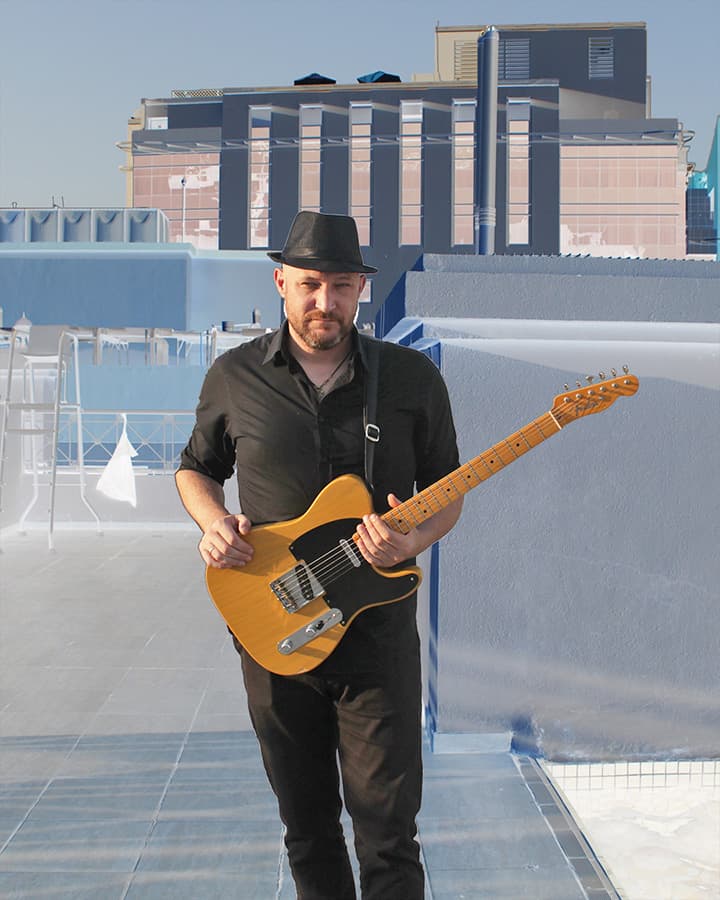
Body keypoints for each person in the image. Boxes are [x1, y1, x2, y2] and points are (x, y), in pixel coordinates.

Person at [175, 211, 463, 900]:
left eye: (339, 286)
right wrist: (213, 523)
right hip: (275, 639)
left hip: (377, 641)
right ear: (281, 282)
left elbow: (448, 492)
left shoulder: (410, 378)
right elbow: (195, 469)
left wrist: (413, 540)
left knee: (388, 835)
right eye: (309, 284)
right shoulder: (235, 376)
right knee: (307, 831)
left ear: (362, 288)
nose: (323, 302)